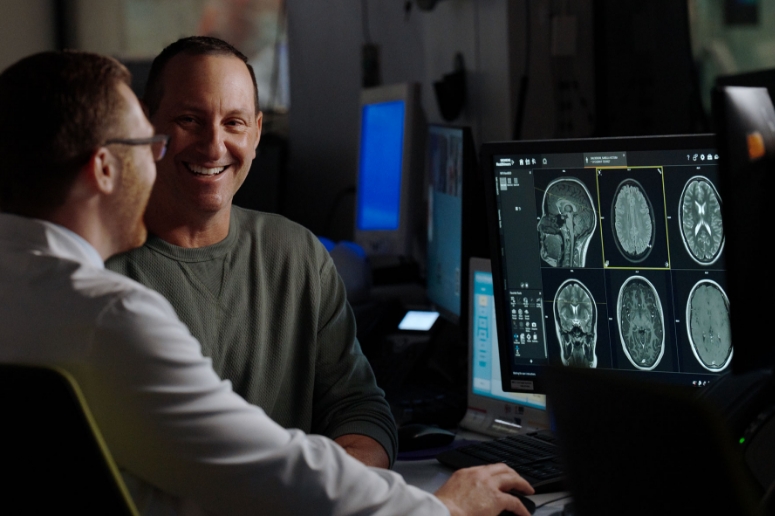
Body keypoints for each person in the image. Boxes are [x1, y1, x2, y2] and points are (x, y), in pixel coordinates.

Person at [0, 50, 534, 516]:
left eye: (234, 122)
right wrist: (442, 509)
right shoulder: (107, 314)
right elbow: (272, 473)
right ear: (104, 169)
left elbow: (348, 410)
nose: (157, 153)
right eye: (147, 139)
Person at [106, 36, 395, 469]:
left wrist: (332, 487)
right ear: (147, 125)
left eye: (234, 123)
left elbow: (359, 408)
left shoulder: (299, 255)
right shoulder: (100, 270)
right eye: (190, 119)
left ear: (257, 133)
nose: (213, 145)